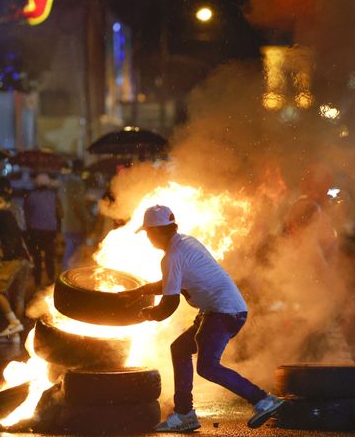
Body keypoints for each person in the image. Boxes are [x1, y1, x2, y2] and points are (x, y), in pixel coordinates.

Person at [120, 205, 284, 432]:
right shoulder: (185, 242)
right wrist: (142, 291)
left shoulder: (172, 256)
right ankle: (185, 414)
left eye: (148, 233)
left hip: (223, 313)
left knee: (207, 366)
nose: (148, 238)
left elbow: (169, 305)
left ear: (157, 231)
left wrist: (144, 314)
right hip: (220, 310)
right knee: (179, 349)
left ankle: (263, 400)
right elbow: (171, 283)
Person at [0, 192, 30, 337]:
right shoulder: (11, 216)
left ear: (7, 204)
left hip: (13, 259)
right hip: (24, 259)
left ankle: (14, 323)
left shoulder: (2, 215)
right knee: (18, 296)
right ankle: (15, 334)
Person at [24, 173, 62, 287]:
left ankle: (37, 281)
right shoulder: (54, 196)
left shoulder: (31, 196)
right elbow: (60, 213)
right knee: (50, 256)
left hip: (34, 231)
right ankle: (50, 280)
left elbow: (26, 213)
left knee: (37, 257)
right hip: (50, 231)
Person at [60, 161, 92, 269]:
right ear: (80, 170)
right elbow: (78, 205)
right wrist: (86, 219)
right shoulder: (77, 183)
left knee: (69, 248)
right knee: (75, 253)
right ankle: (69, 278)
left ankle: (64, 274)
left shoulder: (64, 182)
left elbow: (60, 202)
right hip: (76, 224)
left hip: (66, 223)